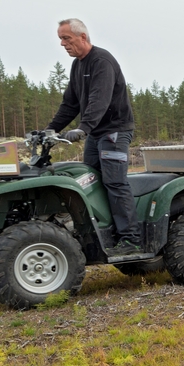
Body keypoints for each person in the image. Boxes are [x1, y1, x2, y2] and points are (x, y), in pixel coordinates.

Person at [45, 18, 141, 255]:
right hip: (96, 133)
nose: (62, 44)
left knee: (114, 181)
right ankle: (103, 234)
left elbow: (100, 98)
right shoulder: (78, 65)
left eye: (66, 38)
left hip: (114, 131)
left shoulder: (102, 61)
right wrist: (50, 130)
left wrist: (83, 128)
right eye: (60, 39)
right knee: (90, 183)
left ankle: (131, 239)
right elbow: (70, 104)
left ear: (82, 37)